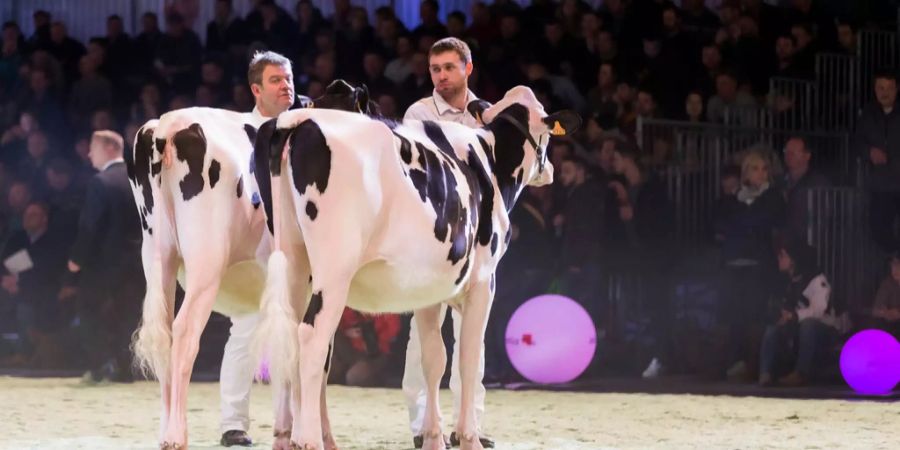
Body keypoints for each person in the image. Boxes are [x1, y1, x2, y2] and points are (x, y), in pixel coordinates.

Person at [402, 37, 495, 449]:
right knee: (422, 337)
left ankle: (468, 426)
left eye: (448, 68)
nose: (441, 76)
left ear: (467, 68)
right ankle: (426, 425)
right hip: (431, 235)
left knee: (474, 338)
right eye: (435, 69)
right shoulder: (418, 112)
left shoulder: (489, 114)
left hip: (479, 237)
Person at [219, 50, 295, 448]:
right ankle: (233, 424)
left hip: (298, 250)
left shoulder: (304, 128)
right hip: (255, 245)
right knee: (246, 329)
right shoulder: (238, 131)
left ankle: (292, 424)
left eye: (287, 79)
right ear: (256, 89)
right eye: (275, 80)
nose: (285, 86)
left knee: (296, 334)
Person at [65, 130, 143, 383]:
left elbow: (90, 226)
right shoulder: (140, 180)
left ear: (109, 148)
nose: (89, 154)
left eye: (93, 148)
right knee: (129, 315)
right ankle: (124, 369)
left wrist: (77, 259)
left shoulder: (101, 182)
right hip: (137, 263)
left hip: (104, 265)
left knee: (88, 310)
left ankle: (100, 364)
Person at [758, 240, 842, 386]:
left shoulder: (817, 279)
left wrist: (794, 316)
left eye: (782, 256)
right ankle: (765, 373)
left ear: (793, 259)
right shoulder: (786, 281)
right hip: (797, 330)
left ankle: (801, 373)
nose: (779, 259)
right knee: (773, 327)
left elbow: (818, 310)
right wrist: (782, 316)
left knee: (808, 325)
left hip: (824, 331)